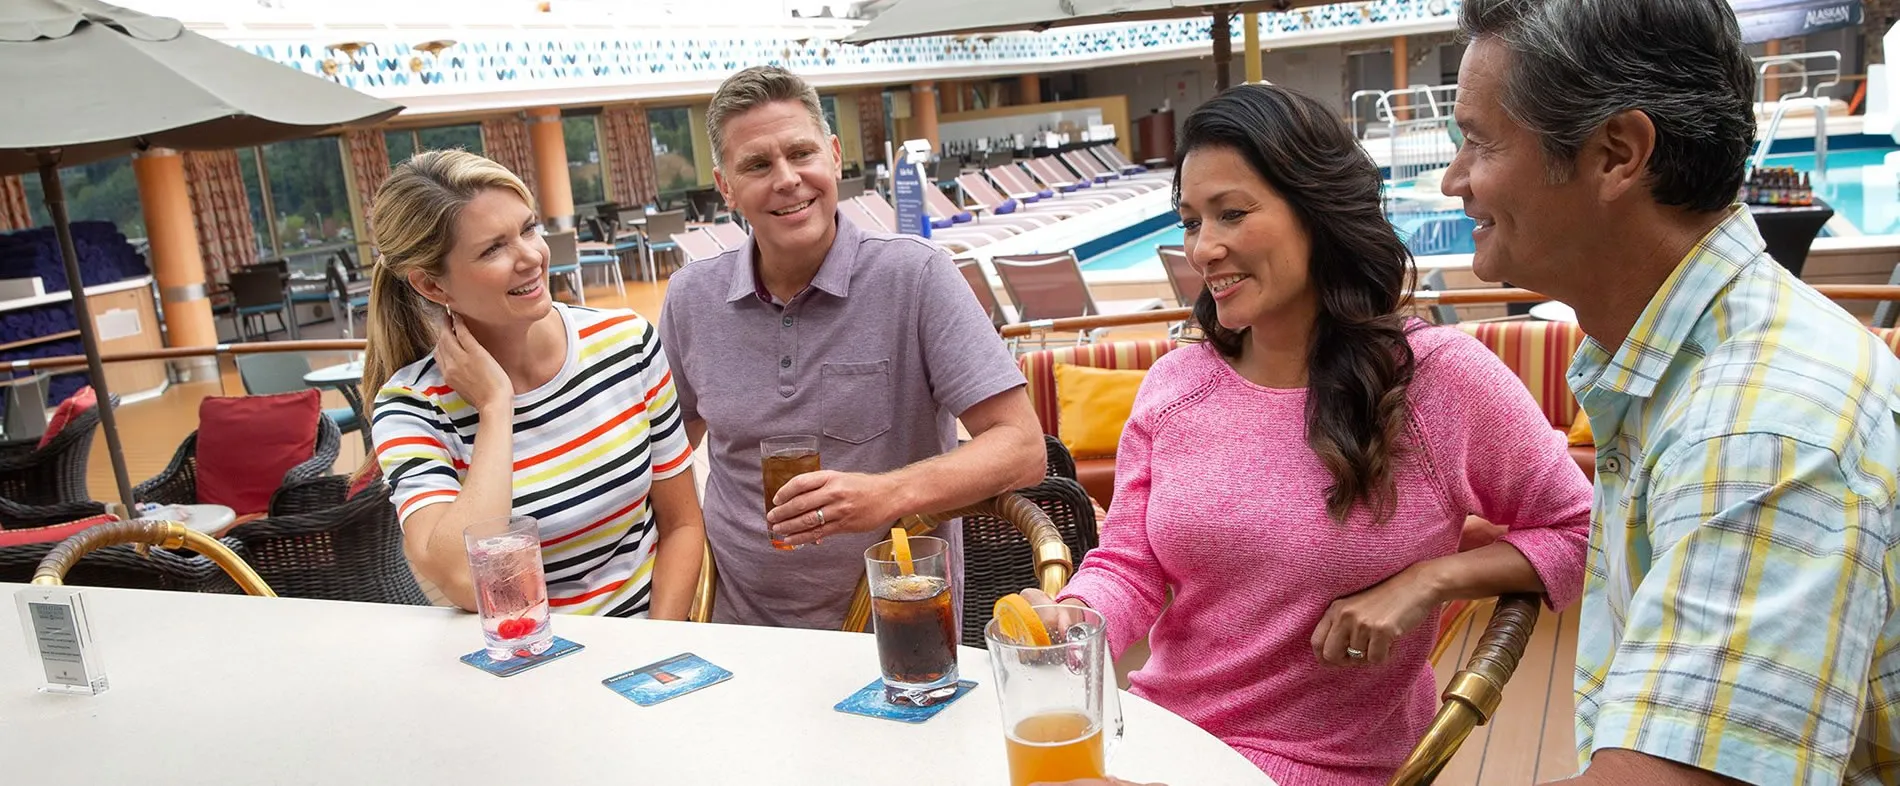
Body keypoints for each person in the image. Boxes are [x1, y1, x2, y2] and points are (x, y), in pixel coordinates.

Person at [1021, 83, 1593, 785]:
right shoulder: (1175, 387)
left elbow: (1581, 529)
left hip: (1325, 767)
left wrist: (1430, 581)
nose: (1204, 249)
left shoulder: (1439, 382)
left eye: (1231, 214)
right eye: (1192, 222)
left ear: (1318, 214)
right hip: (1161, 739)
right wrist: (1072, 616)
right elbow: (1131, 565)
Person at [1445, 2, 1900, 784]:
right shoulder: (1677, 365)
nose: (1456, 180)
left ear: (1618, 154)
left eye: (1480, 142)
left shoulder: (1761, 427)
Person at [657, 65, 1045, 629]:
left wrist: (888, 495)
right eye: (758, 165)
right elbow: (666, 455)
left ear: (835, 156)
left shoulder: (915, 276)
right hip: (735, 629)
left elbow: (1021, 447)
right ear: (726, 187)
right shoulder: (692, 296)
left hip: (895, 623)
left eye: (801, 153)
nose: (787, 179)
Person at [363, 150, 706, 620]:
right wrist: (494, 406)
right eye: (493, 248)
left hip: (651, 647)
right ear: (432, 287)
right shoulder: (411, 407)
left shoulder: (626, 342)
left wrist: (656, 649)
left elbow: (683, 523)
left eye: (528, 229)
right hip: (524, 663)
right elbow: (464, 581)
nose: (531, 257)